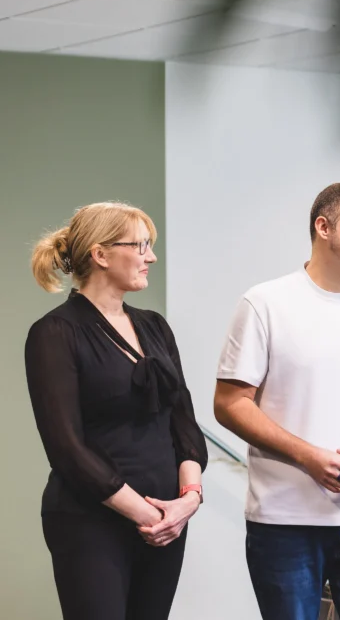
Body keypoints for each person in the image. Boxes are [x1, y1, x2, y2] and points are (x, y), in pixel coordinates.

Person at [213, 182, 340, 620]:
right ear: (323, 227)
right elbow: (230, 403)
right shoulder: (265, 303)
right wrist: (308, 457)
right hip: (284, 523)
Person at [24, 202, 209, 620]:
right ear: (101, 254)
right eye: (141, 245)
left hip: (167, 521)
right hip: (91, 522)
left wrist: (188, 500)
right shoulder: (55, 333)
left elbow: (184, 423)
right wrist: (147, 513)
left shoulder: (155, 326)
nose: (151, 257)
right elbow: (67, 448)